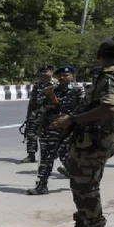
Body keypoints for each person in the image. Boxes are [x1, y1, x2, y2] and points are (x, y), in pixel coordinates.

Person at [48, 37, 114, 227]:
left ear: (100, 55)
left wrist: (72, 120)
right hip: (99, 138)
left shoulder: (111, 74)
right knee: (84, 185)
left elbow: (109, 106)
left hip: (93, 140)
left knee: (85, 189)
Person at [27, 66, 84, 195]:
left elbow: (84, 108)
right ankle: (42, 185)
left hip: (69, 129)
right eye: (60, 76)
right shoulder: (51, 90)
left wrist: (71, 118)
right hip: (50, 127)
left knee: (65, 155)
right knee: (46, 157)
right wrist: (46, 104)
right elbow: (39, 103)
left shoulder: (78, 90)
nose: (62, 78)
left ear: (72, 76)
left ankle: (76, 176)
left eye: (66, 75)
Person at [20, 65, 55, 164]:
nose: (43, 74)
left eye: (46, 72)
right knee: (31, 134)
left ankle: (49, 158)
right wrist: (29, 114)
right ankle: (31, 155)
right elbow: (32, 101)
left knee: (49, 137)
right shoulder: (38, 85)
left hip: (50, 115)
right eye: (42, 72)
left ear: (52, 72)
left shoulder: (57, 84)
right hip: (36, 113)